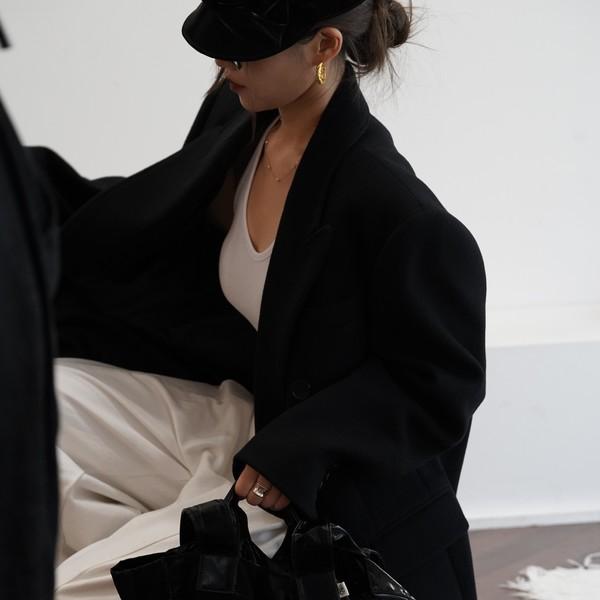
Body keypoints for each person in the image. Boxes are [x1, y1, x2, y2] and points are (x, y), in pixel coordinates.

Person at [12, 1, 487, 598]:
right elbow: (149, 216)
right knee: (24, 394)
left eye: (242, 54)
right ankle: (129, 540)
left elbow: (439, 383)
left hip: (304, 474)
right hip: (236, 412)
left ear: (324, 47)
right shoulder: (245, 121)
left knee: (80, 589)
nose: (222, 64)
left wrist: (299, 448)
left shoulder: (397, 212)